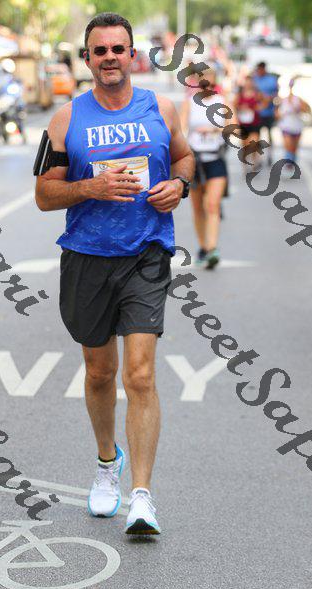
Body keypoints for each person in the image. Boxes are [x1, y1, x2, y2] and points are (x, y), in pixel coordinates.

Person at [35, 12, 194, 535]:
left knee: (140, 374)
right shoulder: (65, 119)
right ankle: (108, 462)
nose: (109, 57)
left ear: (132, 55)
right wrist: (90, 188)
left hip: (146, 253)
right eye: (99, 50)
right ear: (87, 59)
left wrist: (180, 186)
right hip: (87, 255)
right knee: (100, 372)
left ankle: (142, 497)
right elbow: (44, 195)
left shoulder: (161, 108)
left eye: (117, 49)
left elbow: (184, 158)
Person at [179, 67, 228, 269]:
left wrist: (215, 129)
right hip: (196, 160)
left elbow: (233, 127)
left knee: (212, 204)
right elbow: (181, 130)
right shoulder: (189, 103)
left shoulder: (222, 101)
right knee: (198, 207)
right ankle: (203, 247)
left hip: (215, 158)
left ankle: (212, 248)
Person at [276, 77, 311, 169]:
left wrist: (299, 108)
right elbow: (277, 114)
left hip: (297, 126)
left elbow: (306, 110)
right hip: (286, 126)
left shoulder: (299, 100)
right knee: (288, 146)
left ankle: (292, 162)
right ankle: (288, 163)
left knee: (294, 148)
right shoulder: (282, 100)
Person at [235, 75, 267, 171]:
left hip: (254, 123)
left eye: (250, 82)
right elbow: (234, 105)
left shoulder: (257, 94)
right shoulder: (240, 94)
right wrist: (241, 108)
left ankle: (253, 162)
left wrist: (258, 108)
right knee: (245, 146)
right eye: (247, 82)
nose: (248, 84)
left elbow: (265, 102)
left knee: (254, 143)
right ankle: (245, 162)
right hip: (243, 124)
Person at [253, 62, 279, 166]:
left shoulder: (271, 80)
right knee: (257, 136)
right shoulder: (254, 79)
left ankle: (269, 155)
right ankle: (258, 158)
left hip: (269, 112)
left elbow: (276, 94)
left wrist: (269, 98)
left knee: (269, 135)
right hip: (258, 112)